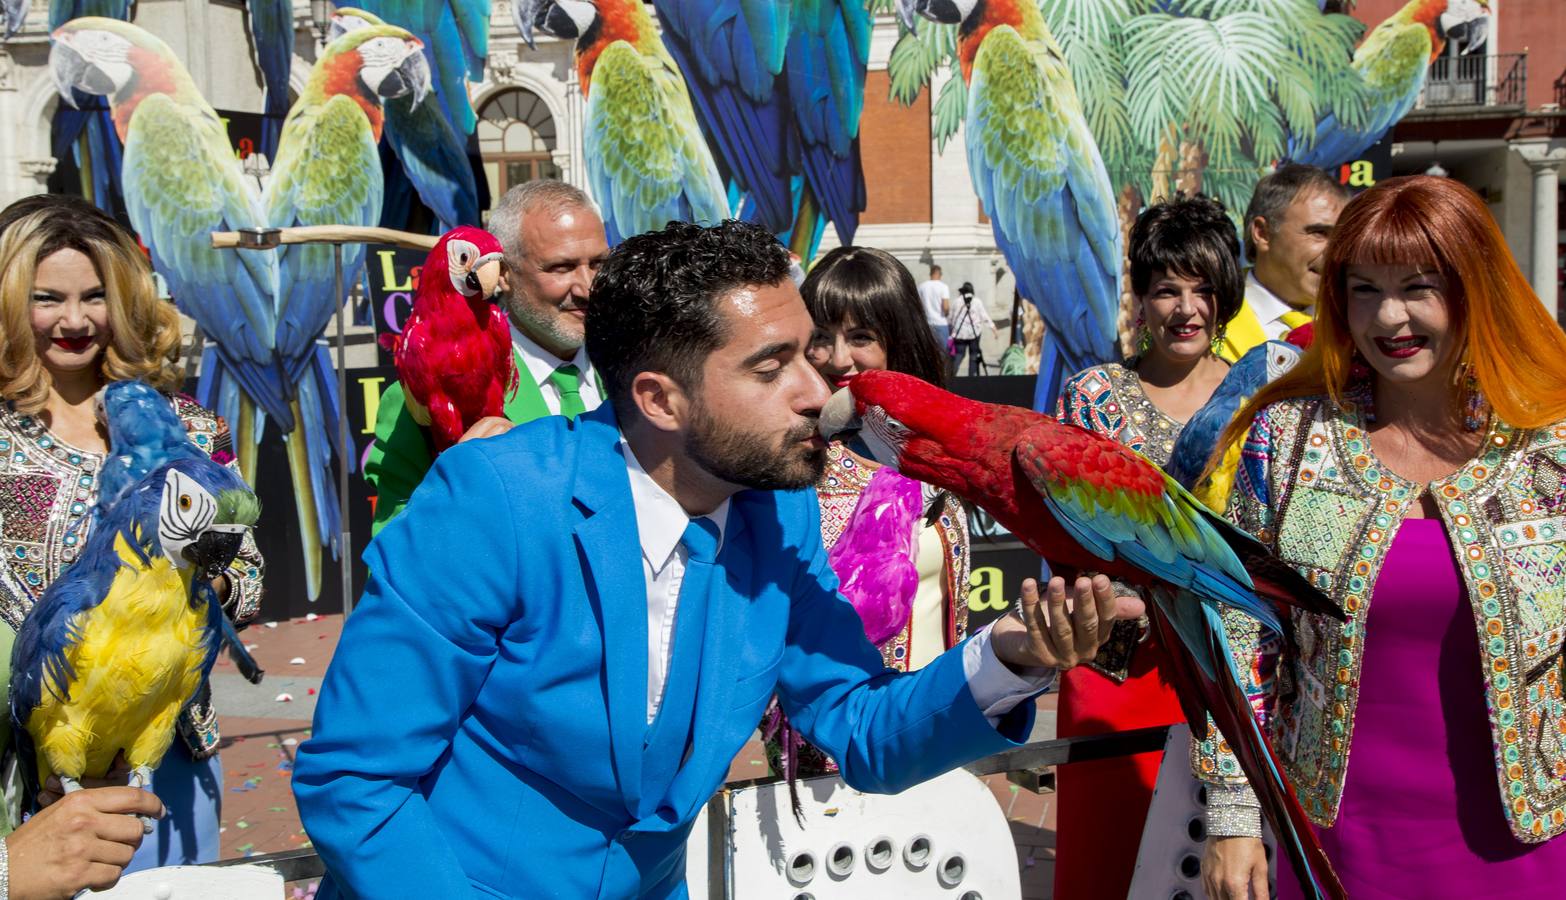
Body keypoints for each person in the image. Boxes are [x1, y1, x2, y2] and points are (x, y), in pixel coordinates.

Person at [293, 220, 1138, 899]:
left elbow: (861, 726)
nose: (819, 390)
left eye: (808, 353)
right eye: (772, 367)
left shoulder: (778, 513)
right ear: (660, 399)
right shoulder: (496, 501)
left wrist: (1013, 655)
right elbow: (354, 782)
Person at [1197, 175, 1566, 899]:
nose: (1389, 317)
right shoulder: (1290, 439)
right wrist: (1234, 816)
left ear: (1473, 289)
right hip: (1341, 840)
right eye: (1364, 289)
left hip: (1530, 841)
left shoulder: (1548, 446)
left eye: (1418, 287)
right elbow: (1237, 634)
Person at [0, 197, 265, 873]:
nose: (75, 320)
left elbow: (251, 576)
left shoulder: (193, 430)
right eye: (47, 299)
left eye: (96, 296)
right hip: (35, 763)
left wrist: (213, 576)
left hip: (167, 752)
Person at [1050, 193, 1244, 899]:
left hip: (1236, 671)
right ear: (1140, 297)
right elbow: (1065, 541)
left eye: (1204, 289)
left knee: (1225, 862)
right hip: (1121, 668)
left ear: (1227, 296)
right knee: (1108, 859)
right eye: (1167, 289)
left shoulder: (1266, 400)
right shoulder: (1092, 398)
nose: (1186, 308)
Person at [765, 246, 971, 777]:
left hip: (937, 739)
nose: (838, 359)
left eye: (861, 338)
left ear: (898, 341)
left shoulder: (937, 455)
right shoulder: (790, 465)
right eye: (821, 339)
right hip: (831, 756)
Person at [364, 179, 610, 534]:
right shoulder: (424, 393)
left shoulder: (636, 370)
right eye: (561, 267)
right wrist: (457, 487)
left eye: (599, 264)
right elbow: (393, 557)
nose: (587, 287)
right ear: (504, 274)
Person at [1218, 164, 1348, 361]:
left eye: (1343, 237)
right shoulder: (1206, 318)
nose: (1336, 253)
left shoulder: (1357, 324)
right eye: (1319, 233)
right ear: (1262, 233)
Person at [948, 281, 995, 376]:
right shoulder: (977, 301)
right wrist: (993, 328)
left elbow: (951, 318)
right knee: (973, 356)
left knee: (959, 355)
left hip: (959, 334)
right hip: (974, 334)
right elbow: (984, 316)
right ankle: (972, 376)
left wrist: (951, 330)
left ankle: (951, 375)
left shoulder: (957, 301)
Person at [917, 263, 951, 353]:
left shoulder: (921, 287)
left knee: (928, 352)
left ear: (931, 274)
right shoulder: (943, 287)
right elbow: (945, 307)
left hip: (926, 324)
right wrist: (947, 313)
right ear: (939, 274)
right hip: (940, 323)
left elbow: (918, 306)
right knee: (943, 352)